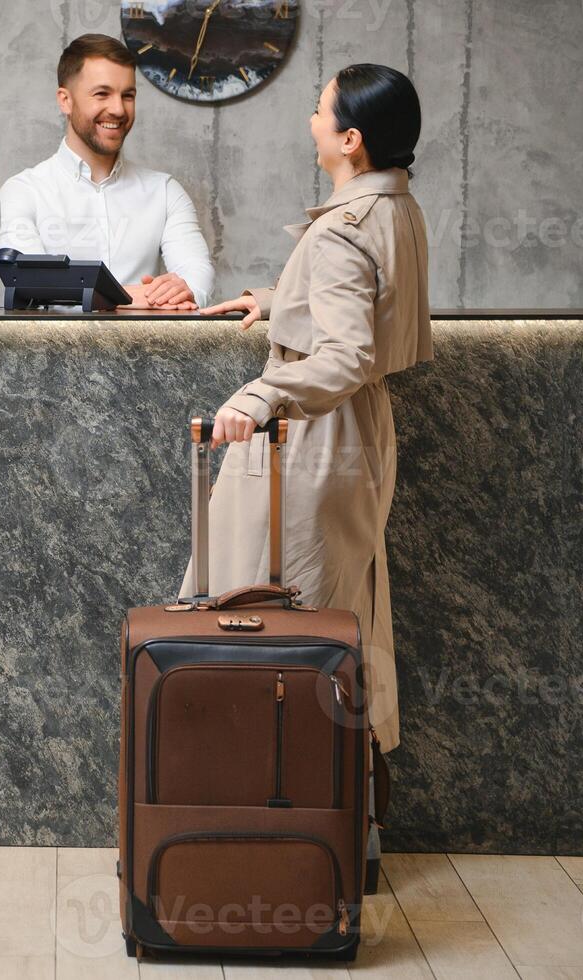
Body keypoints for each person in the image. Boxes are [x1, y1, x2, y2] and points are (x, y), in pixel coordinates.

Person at [189, 63, 432, 890]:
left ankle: (278, 828)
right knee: (339, 622)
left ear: (349, 138)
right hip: (358, 437)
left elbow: (344, 353)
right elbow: (364, 308)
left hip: (312, 441)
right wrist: (280, 296)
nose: (309, 117)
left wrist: (260, 393)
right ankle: (344, 819)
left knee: (272, 626)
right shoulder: (391, 206)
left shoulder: (338, 229)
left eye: (319, 107)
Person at [0, 34, 215, 311]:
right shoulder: (22, 191)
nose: (118, 109)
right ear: (65, 100)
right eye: (102, 94)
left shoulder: (165, 191)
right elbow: (31, 283)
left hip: (150, 354)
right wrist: (122, 297)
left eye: (128, 95)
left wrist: (181, 291)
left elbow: (197, 276)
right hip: (51, 355)